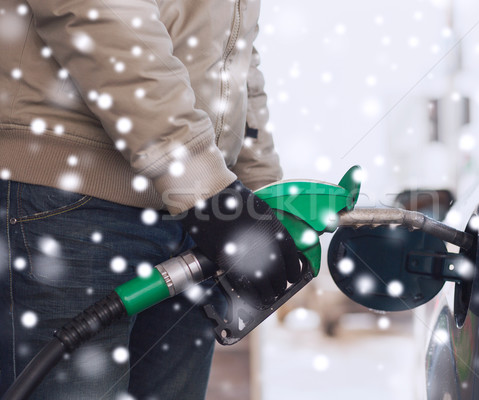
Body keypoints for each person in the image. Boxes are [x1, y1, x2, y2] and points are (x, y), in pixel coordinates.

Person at [0, 0, 300, 398]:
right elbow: (97, 10)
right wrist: (202, 181)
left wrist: (258, 190)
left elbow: (232, 46)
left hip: (191, 210)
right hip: (76, 199)